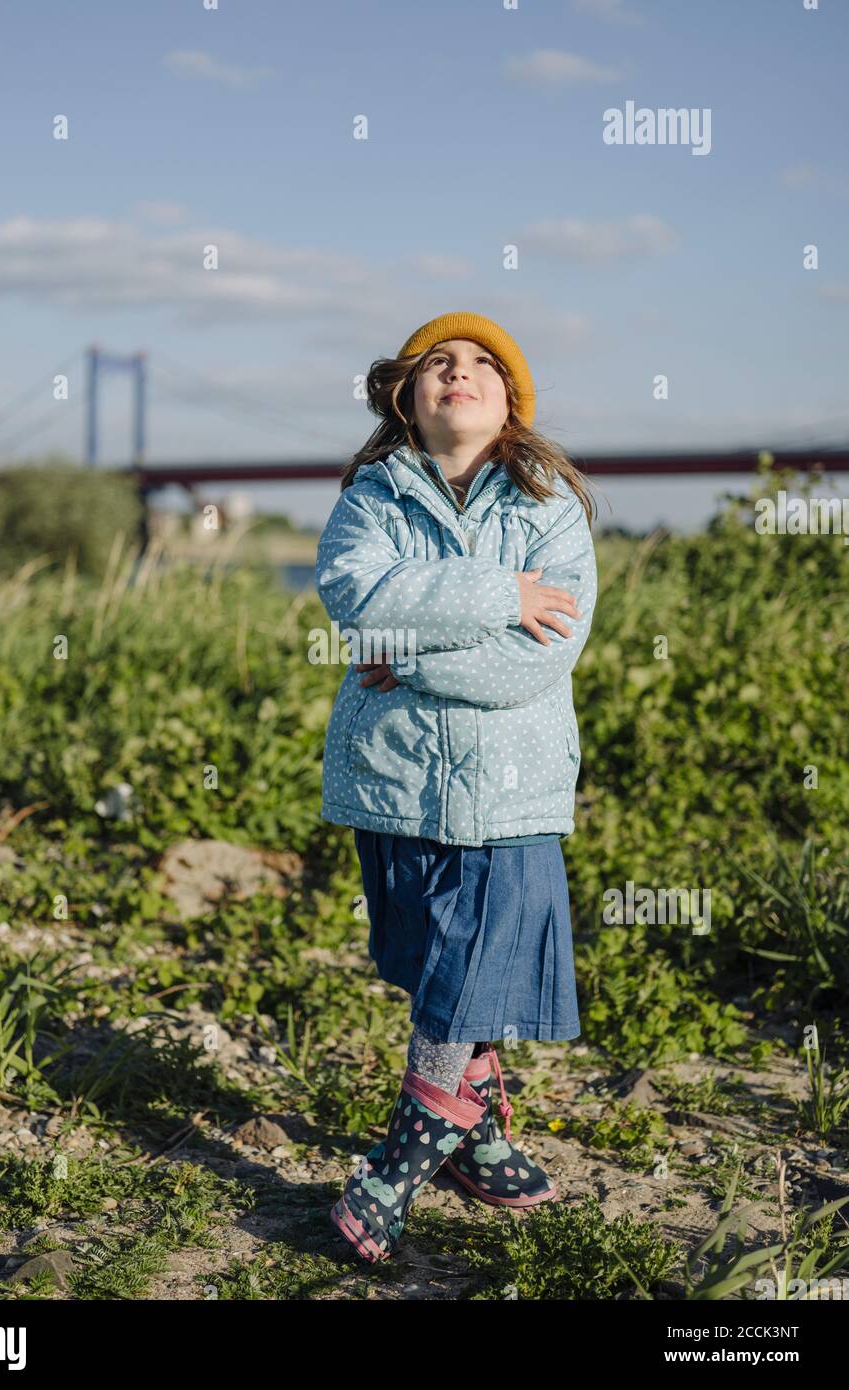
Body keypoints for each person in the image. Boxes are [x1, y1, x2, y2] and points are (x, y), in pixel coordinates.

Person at [314, 311, 599, 1263]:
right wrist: (499, 595)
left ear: (510, 400)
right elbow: (360, 601)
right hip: (395, 776)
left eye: (483, 364)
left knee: (466, 965)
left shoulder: (550, 502)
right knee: (436, 965)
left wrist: (419, 662)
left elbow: (541, 658)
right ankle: (481, 1139)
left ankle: (396, 1165)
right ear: (406, 393)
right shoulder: (371, 496)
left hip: (511, 785)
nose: (460, 373)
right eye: (440, 362)